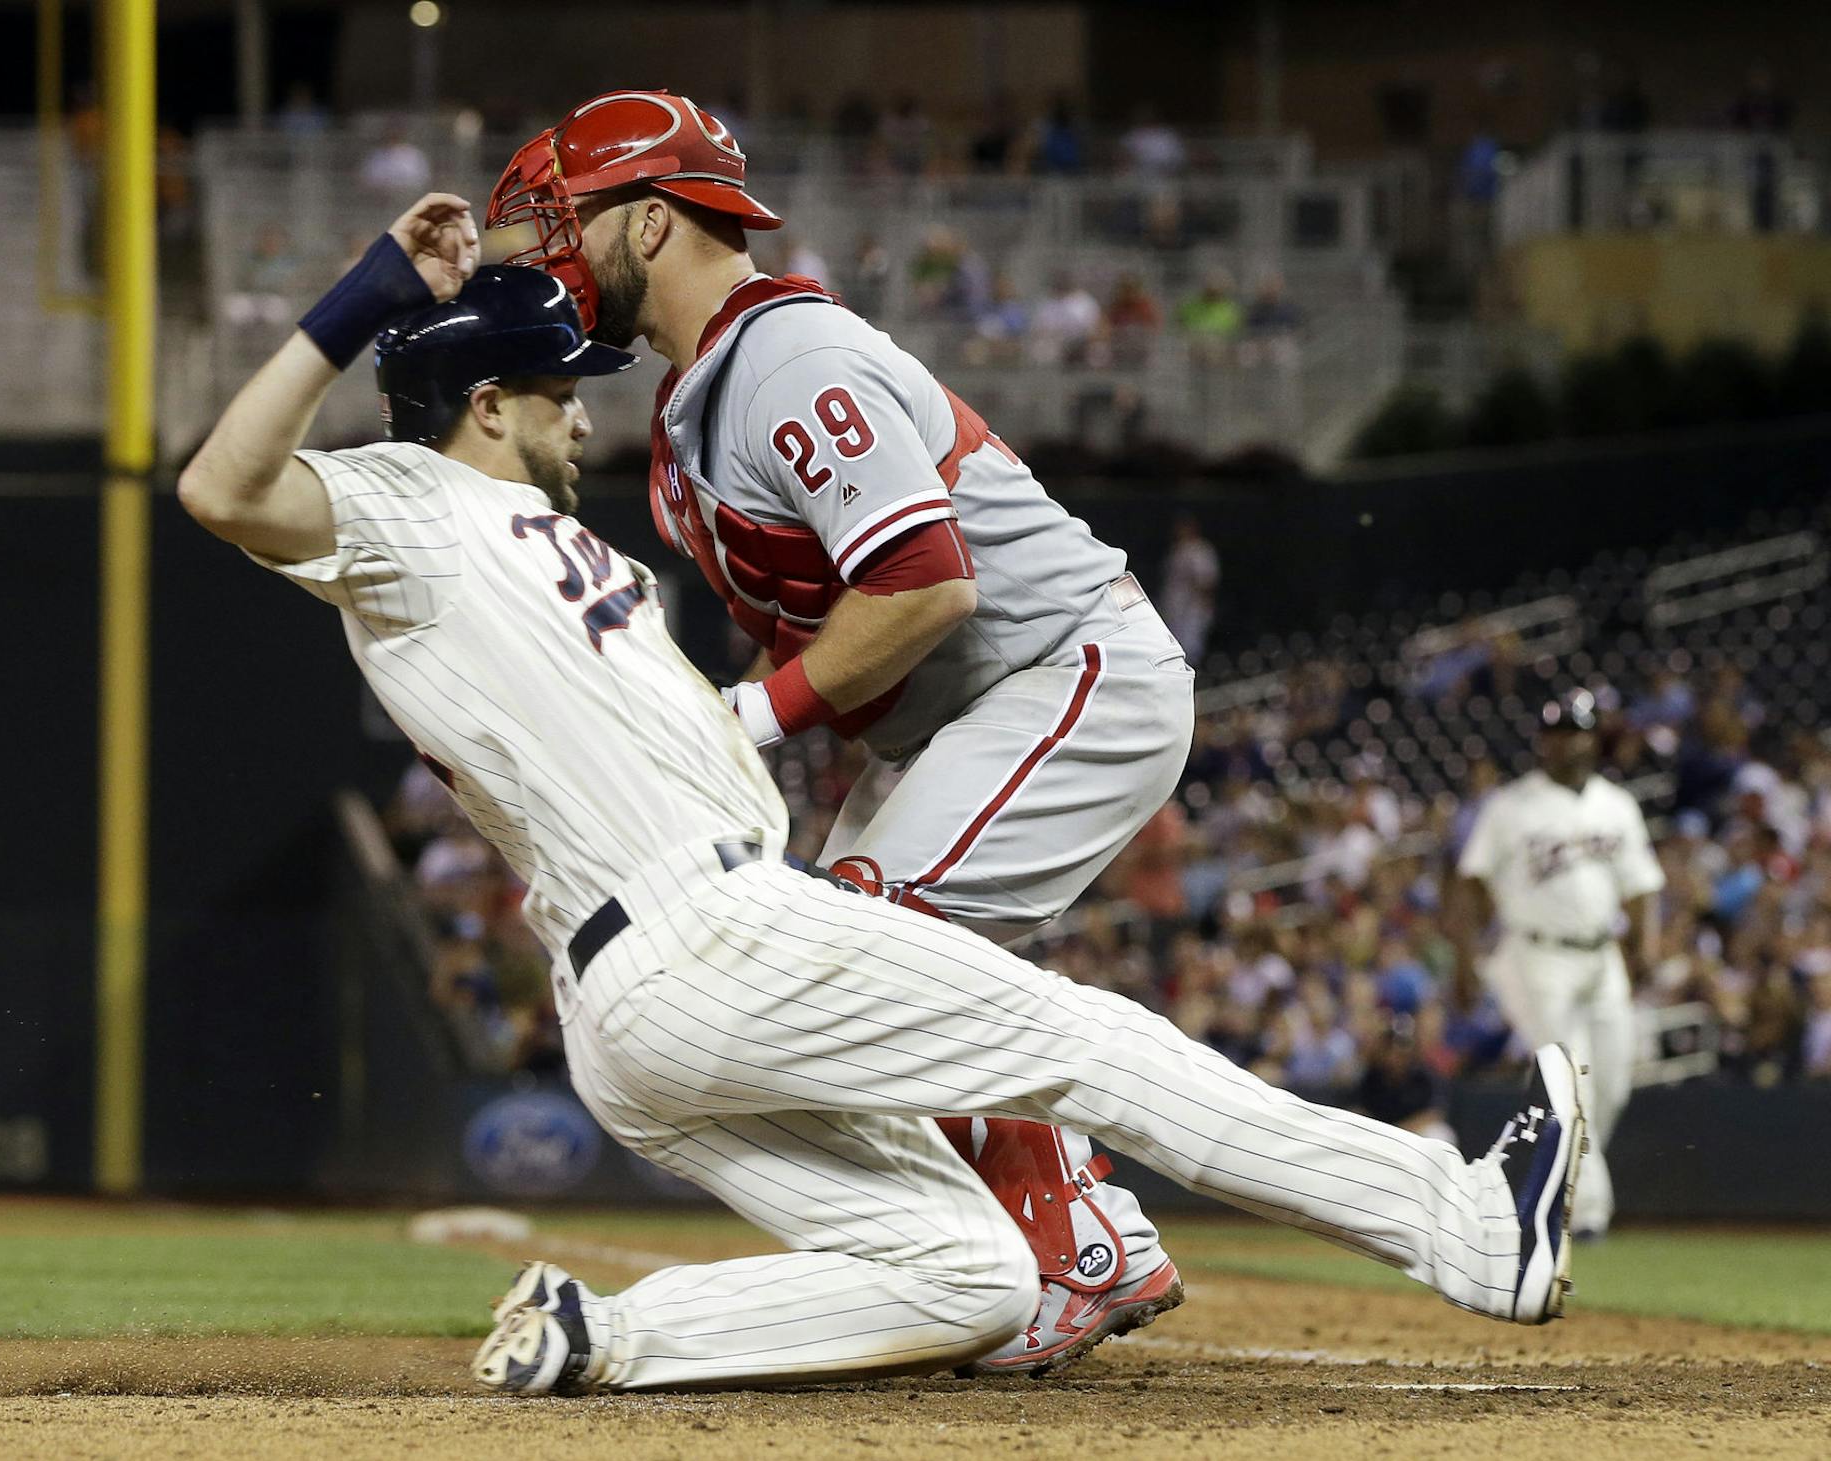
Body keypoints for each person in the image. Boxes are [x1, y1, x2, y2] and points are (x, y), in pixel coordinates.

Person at [178, 192, 1585, 1396]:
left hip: (639, 1000)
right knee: (1091, 1046)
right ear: (485, 405)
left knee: (967, 1274)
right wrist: (367, 295)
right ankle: (1466, 1230)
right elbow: (225, 487)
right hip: (699, 934)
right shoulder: (411, 515)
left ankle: (600, 1335)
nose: (582, 424)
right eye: (555, 400)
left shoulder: (551, 555)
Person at [485, 89, 1540, 1378]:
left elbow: (928, 582)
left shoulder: (789, 359)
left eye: (567, 219)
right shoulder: (697, 409)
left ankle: (1087, 1241)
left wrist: (749, 720)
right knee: (842, 965)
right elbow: (822, 624)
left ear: (650, 223)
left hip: (1066, 670)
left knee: (879, 955)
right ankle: (1070, 1239)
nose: (546, 250)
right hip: (955, 722)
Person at [1449, 689, 1661, 1241]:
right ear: (1544, 741)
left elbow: (1641, 887)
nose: (1571, 741)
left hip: (1602, 954)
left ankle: (1564, 1185)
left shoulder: (1617, 804)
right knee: (1573, 1078)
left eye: (1580, 731)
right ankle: (1582, 1215)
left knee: (1612, 1085)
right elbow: (1470, 882)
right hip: (1535, 955)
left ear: (1594, 738)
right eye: (1561, 732)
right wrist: (1466, 959)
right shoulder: (1512, 806)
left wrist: (1644, 946)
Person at [1158, 513, 1220, 661]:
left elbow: (1207, 581)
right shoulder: (1177, 549)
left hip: (1191, 610)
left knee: (1190, 651)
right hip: (1174, 608)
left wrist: (1202, 607)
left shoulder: (1200, 550)